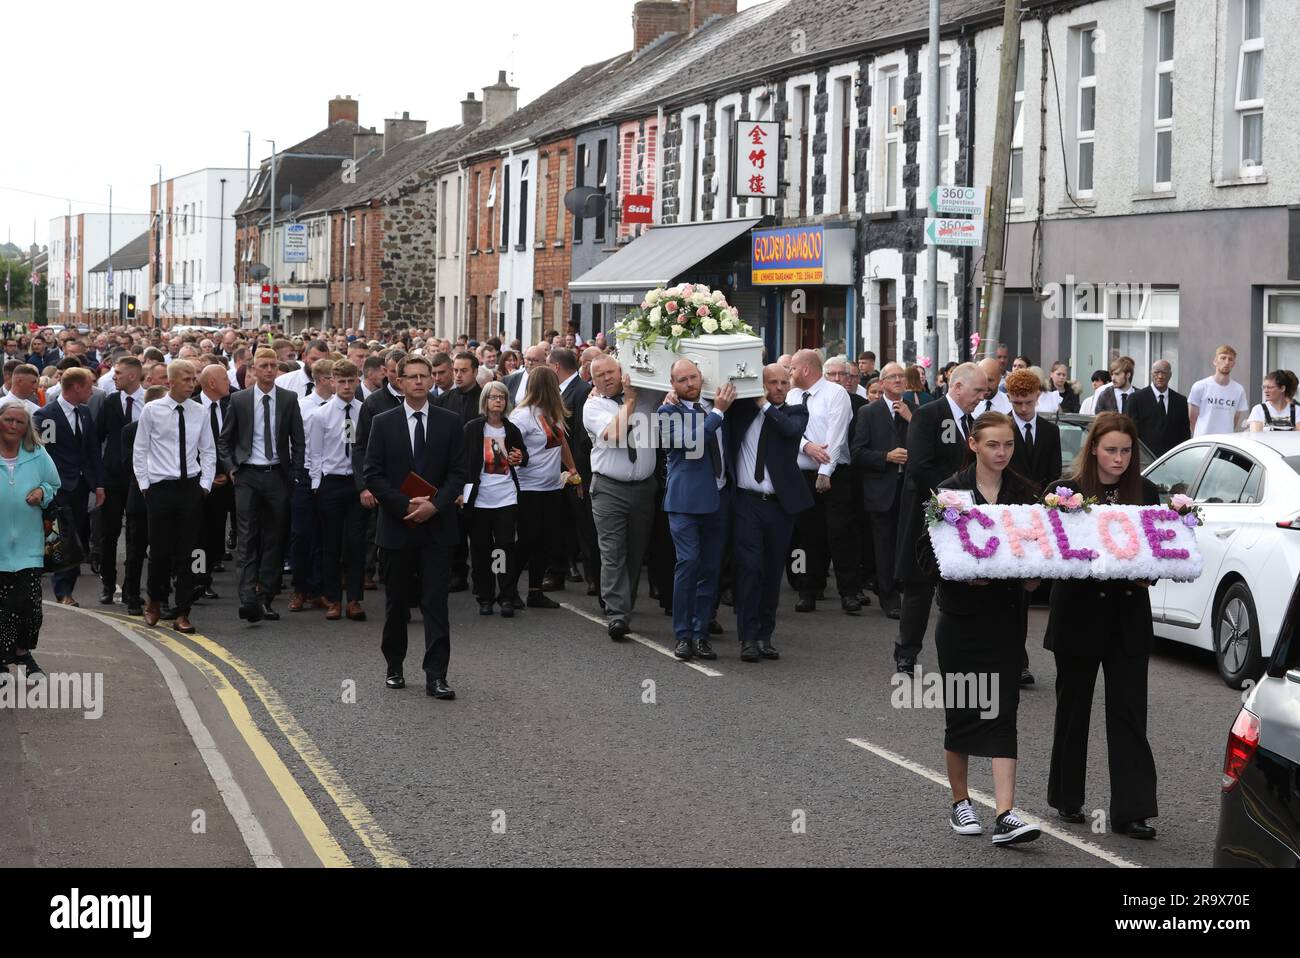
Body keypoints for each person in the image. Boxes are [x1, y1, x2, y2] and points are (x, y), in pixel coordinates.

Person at [1046, 411, 1161, 839]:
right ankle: (1066, 798)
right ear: (1092, 447)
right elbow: (1051, 552)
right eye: (1111, 450)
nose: (1119, 458)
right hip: (1078, 613)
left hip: (1127, 616)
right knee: (1073, 711)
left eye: (1127, 451)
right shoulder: (1065, 492)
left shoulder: (1146, 492)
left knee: (1130, 714)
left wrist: (1148, 572)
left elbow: (1158, 555)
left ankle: (1132, 810)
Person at [934, 413, 1042, 846]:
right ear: (973, 444)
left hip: (1005, 617)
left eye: (1009, 445)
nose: (1002, 453)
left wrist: (1036, 576)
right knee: (963, 709)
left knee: (1003, 710)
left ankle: (1005, 813)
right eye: (994, 445)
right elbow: (927, 557)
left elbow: (1038, 547)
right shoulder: (950, 492)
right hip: (960, 620)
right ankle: (961, 802)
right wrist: (958, 575)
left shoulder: (1025, 492)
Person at [363, 355, 467, 698]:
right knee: (397, 603)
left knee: (436, 602)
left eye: (425, 376)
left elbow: (459, 473)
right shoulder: (383, 421)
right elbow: (373, 474)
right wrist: (404, 505)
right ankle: (394, 665)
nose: (420, 382)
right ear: (400, 382)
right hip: (396, 525)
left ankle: (436, 674)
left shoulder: (451, 421)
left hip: (437, 527)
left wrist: (433, 506)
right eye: (413, 377)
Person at [894, 362, 988, 674]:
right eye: (976, 391)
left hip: (962, 516)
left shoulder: (973, 421)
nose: (980, 397)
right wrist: (954, 496)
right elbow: (919, 468)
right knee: (919, 586)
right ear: (957, 386)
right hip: (929, 513)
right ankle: (906, 653)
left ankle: (967, 652)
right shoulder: (928, 414)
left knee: (962, 583)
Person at [728, 364, 812, 661]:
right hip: (747, 502)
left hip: (780, 506)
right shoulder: (741, 412)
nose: (778, 387)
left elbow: (789, 431)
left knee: (772, 571)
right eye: (772, 383)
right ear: (760, 384)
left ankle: (765, 634)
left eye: (783, 382)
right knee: (750, 568)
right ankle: (748, 638)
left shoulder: (795, 412)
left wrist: (764, 404)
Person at [218, 347, 306, 623]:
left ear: (278, 369)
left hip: (277, 475)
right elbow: (225, 440)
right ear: (253, 369)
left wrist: (293, 472)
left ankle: (265, 596)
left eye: (273, 366)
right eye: (263, 366)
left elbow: (298, 441)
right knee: (246, 537)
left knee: (274, 537)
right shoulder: (241, 400)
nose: (269, 370)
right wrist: (233, 469)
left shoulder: (289, 399)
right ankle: (248, 599)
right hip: (248, 475)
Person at [658, 359, 735, 660]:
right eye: (682, 380)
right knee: (688, 563)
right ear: (672, 384)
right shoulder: (667, 412)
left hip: (719, 499)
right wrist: (718, 412)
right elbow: (693, 443)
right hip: (685, 502)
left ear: (702, 377)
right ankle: (683, 635)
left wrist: (718, 408)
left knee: (710, 569)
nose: (689, 384)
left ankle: (701, 633)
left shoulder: (718, 403)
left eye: (693, 377)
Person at [132, 361, 215, 634]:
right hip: (160, 488)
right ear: (171, 382)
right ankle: (155, 599)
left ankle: (182, 611)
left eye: (194, 379)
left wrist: (204, 485)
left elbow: (209, 450)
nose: (193, 384)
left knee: (188, 553)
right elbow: (140, 449)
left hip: (190, 488)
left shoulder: (199, 412)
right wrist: (146, 485)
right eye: (187, 379)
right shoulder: (152, 410)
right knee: (159, 551)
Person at [584, 356, 657, 641]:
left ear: (621, 371)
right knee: (613, 552)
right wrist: (629, 402)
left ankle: (625, 605)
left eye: (610, 372)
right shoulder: (593, 405)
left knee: (636, 552)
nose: (606, 378)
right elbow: (615, 434)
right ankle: (617, 614)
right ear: (593, 380)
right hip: (609, 488)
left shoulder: (647, 394)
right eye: (599, 375)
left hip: (644, 487)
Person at [787, 349, 862, 615]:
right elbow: (787, 430)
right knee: (807, 535)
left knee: (840, 534)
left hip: (835, 474)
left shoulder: (835, 393)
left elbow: (837, 435)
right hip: (803, 474)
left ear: (806, 369)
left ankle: (849, 592)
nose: (790, 373)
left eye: (793, 368)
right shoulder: (793, 395)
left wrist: (825, 472)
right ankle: (808, 589)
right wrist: (806, 446)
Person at [509, 366, 583, 610]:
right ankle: (508, 589)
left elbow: (561, 443)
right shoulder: (522, 416)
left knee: (544, 541)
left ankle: (535, 591)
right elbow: (510, 448)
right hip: (529, 488)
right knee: (527, 540)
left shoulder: (553, 413)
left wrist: (572, 469)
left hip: (551, 487)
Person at [1005, 368, 1062, 687]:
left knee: (1025, 595)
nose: (1021, 408)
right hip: (1012, 515)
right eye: (1015, 403)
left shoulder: (1051, 432)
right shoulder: (1004, 427)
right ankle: (1014, 659)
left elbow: (1054, 474)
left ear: (1038, 397)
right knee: (1012, 595)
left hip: (1038, 516)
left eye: (1026, 402)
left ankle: (1019, 660)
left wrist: (1047, 506)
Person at [0, 400, 61, 683]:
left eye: (19, 422)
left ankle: (22, 654)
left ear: (26, 428)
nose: (13, 426)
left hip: (28, 545)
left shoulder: (37, 454)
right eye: (8, 420)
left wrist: (41, 491)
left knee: (29, 608)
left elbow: (53, 485)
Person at [35, 368, 104, 607]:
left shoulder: (84, 413)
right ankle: (63, 592)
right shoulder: (47, 415)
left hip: (82, 486)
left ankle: (68, 587)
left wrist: (99, 485)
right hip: (59, 488)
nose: (91, 391)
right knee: (63, 539)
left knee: (77, 539)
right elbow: (41, 454)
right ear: (76, 387)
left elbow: (92, 450)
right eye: (88, 386)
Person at [851, 362, 914, 619]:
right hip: (881, 488)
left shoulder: (917, 412)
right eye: (893, 377)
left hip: (908, 488)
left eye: (902, 376)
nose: (899, 380)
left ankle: (898, 586)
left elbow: (926, 447)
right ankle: (888, 597)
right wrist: (886, 457)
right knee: (884, 544)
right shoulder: (869, 412)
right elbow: (857, 453)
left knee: (904, 543)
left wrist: (913, 420)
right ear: (883, 382)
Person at [309, 360, 367, 621]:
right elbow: (315, 453)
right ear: (332, 381)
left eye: (350, 381)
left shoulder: (364, 412)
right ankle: (333, 599)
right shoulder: (321, 415)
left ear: (357, 380)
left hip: (356, 484)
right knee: (330, 544)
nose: (345, 386)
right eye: (340, 381)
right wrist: (316, 485)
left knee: (355, 543)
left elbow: (367, 450)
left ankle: (354, 599)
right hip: (331, 482)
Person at [464, 381, 527, 617]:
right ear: (485, 401)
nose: (498, 401)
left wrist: (520, 456)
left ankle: (507, 596)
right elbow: (461, 462)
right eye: (493, 397)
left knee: (503, 548)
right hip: (479, 499)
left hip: (506, 497)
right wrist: (461, 492)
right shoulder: (472, 428)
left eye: (502, 397)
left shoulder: (511, 430)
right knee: (481, 550)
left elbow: (523, 456)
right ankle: (485, 596)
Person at [95, 356, 145, 605]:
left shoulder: (150, 402)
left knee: (137, 537)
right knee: (109, 533)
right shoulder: (111, 401)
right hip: (113, 477)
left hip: (139, 478)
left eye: (118, 373)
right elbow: (98, 437)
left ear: (133, 376)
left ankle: (130, 588)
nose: (113, 377)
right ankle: (107, 582)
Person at [195, 364, 233, 603]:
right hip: (198, 484)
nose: (229, 383)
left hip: (225, 482)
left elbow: (233, 440)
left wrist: (228, 472)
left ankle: (206, 577)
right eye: (225, 379)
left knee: (215, 533)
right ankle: (196, 579)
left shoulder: (231, 405)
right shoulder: (192, 405)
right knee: (196, 535)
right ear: (211, 383)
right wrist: (207, 477)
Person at [1127, 359, 1191, 457]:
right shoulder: (1136, 398)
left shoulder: (1180, 401)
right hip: (1144, 459)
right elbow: (1131, 432)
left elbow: (1184, 434)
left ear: (1170, 375)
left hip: (1173, 459)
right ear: (1151, 374)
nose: (1160, 376)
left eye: (1164, 373)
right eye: (1157, 372)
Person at [1188, 345, 1248, 436]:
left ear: (1234, 364)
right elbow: (1192, 419)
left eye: (1230, 359)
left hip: (1226, 442)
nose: (1227, 362)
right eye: (1223, 358)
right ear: (1215, 361)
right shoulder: (1200, 386)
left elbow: (1235, 420)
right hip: (1203, 441)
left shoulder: (1239, 390)